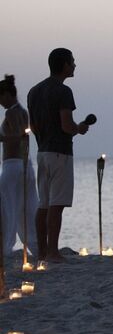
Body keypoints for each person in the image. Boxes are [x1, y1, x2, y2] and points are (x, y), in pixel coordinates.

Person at [27, 48, 90, 262]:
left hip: (42, 151)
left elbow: (33, 127)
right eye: (72, 62)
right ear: (63, 64)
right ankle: (53, 252)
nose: (74, 65)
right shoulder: (63, 92)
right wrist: (78, 128)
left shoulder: (34, 91)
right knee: (57, 204)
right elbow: (66, 125)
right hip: (60, 152)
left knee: (43, 203)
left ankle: (42, 252)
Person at [0, 74, 39, 257]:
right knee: (27, 209)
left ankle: (6, 247)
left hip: (13, 164)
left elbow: (17, 137)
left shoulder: (12, 112)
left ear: (8, 94)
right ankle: (36, 246)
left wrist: (1, 138)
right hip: (26, 165)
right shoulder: (23, 112)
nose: (0, 102)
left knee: (8, 208)